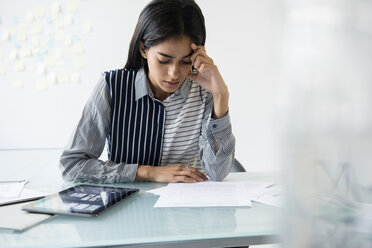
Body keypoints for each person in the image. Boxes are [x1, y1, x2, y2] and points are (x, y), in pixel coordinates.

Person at [59, 0, 235, 184]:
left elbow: (217, 173)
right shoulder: (112, 87)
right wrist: (148, 172)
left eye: (185, 61)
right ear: (143, 49)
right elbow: (71, 166)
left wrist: (221, 96)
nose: (174, 73)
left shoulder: (203, 93)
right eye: (164, 60)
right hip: (127, 208)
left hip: (187, 208)